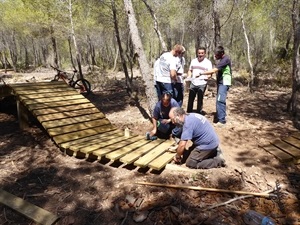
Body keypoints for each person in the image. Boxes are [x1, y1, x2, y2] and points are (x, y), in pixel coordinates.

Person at [200, 46, 232, 125]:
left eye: (217, 55)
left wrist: (202, 73)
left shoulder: (225, 59)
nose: (215, 56)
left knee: (220, 100)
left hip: (224, 82)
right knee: (219, 99)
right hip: (221, 82)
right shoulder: (222, 60)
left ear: (221, 54)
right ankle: (220, 115)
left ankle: (221, 121)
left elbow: (214, 70)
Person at [186, 47, 212, 114]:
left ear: (205, 54)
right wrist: (189, 76)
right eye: (199, 53)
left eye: (202, 53)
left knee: (200, 99)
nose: (200, 54)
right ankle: (189, 112)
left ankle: (199, 113)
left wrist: (207, 77)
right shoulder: (193, 61)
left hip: (202, 83)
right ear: (197, 53)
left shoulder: (208, 62)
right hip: (193, 82)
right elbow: (190, 70)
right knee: (191, 98)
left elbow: (210, 74)